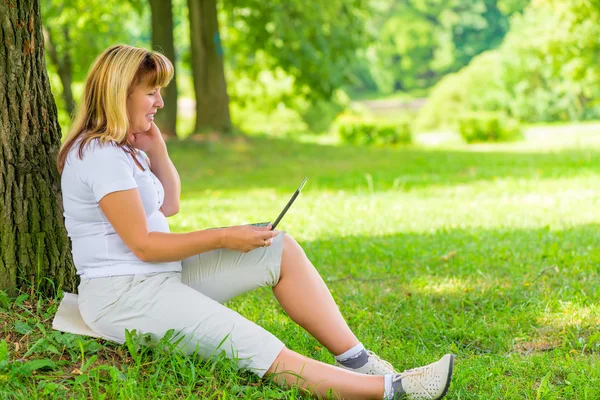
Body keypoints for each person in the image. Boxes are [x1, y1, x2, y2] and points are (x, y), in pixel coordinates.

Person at [57, 44, 454, 400]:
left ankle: (358, 360)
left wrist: (157, 148)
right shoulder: (99, 156)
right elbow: (143, 244)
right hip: (124, 297)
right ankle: (394, 391)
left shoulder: (125, 150)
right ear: (118, 94)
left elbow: (170, 205)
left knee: (277, 248)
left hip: (160, 277)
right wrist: (225, 237)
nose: (160, 101)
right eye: (151, 92)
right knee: (257, 344)